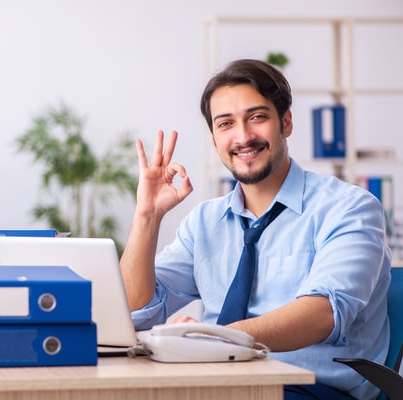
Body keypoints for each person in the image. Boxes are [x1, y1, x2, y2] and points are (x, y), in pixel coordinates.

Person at [120, 59, 391, 400]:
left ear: (286, 122)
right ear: (214, 138)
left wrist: (220, 338)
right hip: (220, 387)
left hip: (311, 389)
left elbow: (323, 313)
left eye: (257, 117)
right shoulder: (204, 223)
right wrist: (147, 216)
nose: (243, 137)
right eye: (226, 124)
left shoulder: (349, 208)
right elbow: (134, 310)